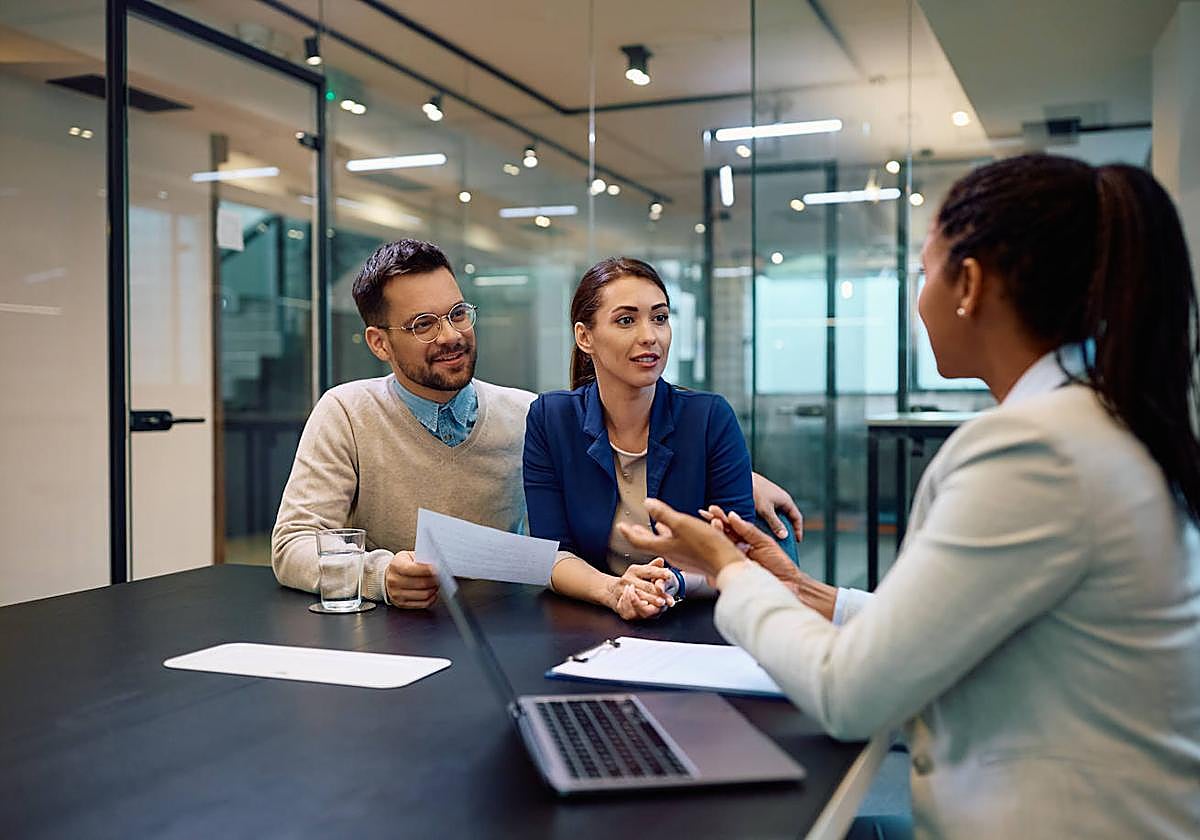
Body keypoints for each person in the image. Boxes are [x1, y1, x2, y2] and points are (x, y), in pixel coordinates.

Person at [618, 155, 1200, 838]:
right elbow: (958, 613)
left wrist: (729, 570)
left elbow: (847, 695)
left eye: (925, 274)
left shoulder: (1037, 452)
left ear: (970, 284)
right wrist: (805, 592)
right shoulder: (1089, 422)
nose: (919, 301)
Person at [271, 240, 804, 609]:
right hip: (396, 635)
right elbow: (293, 545)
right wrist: (379, 576)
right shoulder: (346, 412)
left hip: (512, 627)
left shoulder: (525, 415)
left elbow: (617, 442)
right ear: (379, 343)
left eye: (457, 314)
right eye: (423, 324)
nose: (451, 335)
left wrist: (740, 477)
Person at [523, 257, 754, 620]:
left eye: (659, 318)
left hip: (697, 620)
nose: (650, 336)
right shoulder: (551, 419)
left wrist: (673, 582)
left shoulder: (709, 417)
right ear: (585, 337)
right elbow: (551, 554)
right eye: (626, 320)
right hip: (591, 620)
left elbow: (738, 554)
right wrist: (613, 591)